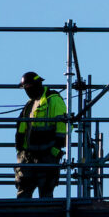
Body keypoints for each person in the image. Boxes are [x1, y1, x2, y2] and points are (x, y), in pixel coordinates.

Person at [13, 71, 68, 199]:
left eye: (28, 87)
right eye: (25, 88)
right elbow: (22, 130)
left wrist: (55, 150)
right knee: (23, 193)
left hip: (47, 155)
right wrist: (21, 153)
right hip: (29, 157)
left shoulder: (53, 100)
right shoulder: (30, 105)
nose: (27, 91)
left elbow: (63, 127)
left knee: (46, 194)